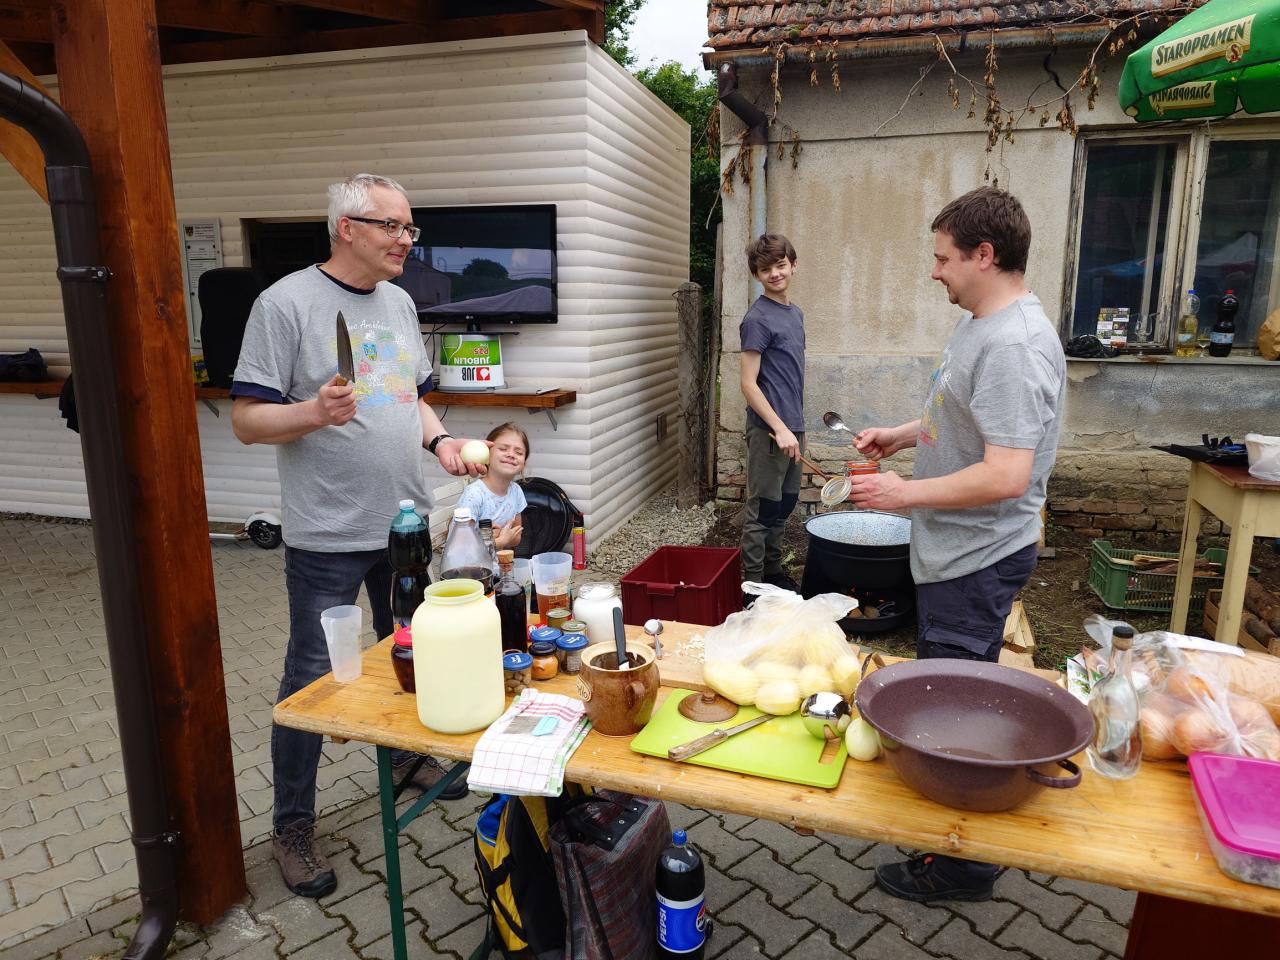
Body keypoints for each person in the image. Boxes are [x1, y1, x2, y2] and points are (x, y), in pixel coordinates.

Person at [231, 173, 489, 899]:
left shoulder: (399, 302)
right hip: (328, 533)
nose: (407, 240)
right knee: (312, 681)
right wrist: (313, 412)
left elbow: (414, 399)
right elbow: (246, 419)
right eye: (392, 226)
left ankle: (405, 757)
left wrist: (440, 442)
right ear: (347, 228)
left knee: (410, 646)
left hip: (403, 523)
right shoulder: (285, 304)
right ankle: (292, 826)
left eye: (410, 228)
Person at [849, 187, 1065, 903]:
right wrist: (902, 435)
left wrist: (903, 494)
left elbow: (1007, 474)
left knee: (960, 708)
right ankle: (949, 837)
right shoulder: (981, 325)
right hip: (956, 550)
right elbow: (962, 413)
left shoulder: (1014, 346)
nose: (934, 270)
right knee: (951, 689)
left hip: (977, 557)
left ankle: (962, 865)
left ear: (984, 255)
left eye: (943, 258)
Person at [738, 234, 806, 600]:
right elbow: (748, 384)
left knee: (785, 503)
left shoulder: (795, 314)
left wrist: (793, 427)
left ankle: (773, 571)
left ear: (794, 265)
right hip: (769, 431)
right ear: (757, 275)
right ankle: (752, 587)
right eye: (766, 269)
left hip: (793, 427)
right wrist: (779, 428)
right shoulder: (757, 319)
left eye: (781, 265)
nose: (775, 274)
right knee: (763, 508)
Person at [456, 422, 529, 550]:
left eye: (518, 452)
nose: (511, 454)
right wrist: (501, 541)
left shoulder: (516, 491)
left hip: (497, 561)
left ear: (523, 464)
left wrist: (500, 536)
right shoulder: (475, 494)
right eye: (503, 449)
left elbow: (517, 538)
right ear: (487, 455)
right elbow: (462, 546)